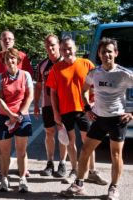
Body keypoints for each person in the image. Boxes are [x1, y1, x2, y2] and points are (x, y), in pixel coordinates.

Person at [61, 38, 133, 200]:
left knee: (116, 155)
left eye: (109, 51)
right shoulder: (94, 73)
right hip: (98, 119)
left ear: (116, 53)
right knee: (85, 150)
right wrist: (87, 108)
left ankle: (113, 188)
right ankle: (79, 184)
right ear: (99, 55)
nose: (106, 54)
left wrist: (132, 114)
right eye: (103, 52)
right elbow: (84, 90)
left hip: (118, 120)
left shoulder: (124, 73)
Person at [46, 38, 108, 185]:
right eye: (63, 49)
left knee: (89, 142)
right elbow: (53, 94)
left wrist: (93, 102)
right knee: (70, 142)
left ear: (75, 48)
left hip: (85, 110)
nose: (66, 52)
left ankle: (92, 172)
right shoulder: (56, 68)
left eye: (69, 48)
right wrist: (56, 113)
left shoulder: (87, 64)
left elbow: (99, 85)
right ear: (60, 50)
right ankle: (74, 171)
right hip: (65, 111)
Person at [0, 30, 34, 177]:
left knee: (20, 141)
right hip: (0, 104)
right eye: (4, 39)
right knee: (1, 136)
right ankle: (1, 163)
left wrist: (21, 110)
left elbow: (28, 81)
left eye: (10, 39)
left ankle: (23, 166)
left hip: (20, 106)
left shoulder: (22, 56)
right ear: (0, 41)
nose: (7, 41)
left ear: (14, 41)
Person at [0, 48, 33, 192]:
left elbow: (29, 96)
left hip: (22, 116)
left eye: (12, 58)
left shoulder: (26, 75)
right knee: (5, 151)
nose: (10, 61)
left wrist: (19, 114)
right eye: (7, 59)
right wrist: (11, 115)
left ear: (17, 60)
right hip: (5, 116)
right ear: (4, 61)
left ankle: (22, 179)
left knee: (21, 150)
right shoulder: (0, 77)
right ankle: (5, 178)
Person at [34, 34, 67, 177]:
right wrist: (35, 105)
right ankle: (50, 162)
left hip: (64, 104)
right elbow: (38, 86)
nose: (50, 48)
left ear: (59, 45)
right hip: (47, 104)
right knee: (49, 133)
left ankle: (63, 163)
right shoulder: (42, 65)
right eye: (47, 45)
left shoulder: (66, 62)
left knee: (63, 133)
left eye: (52, 45)